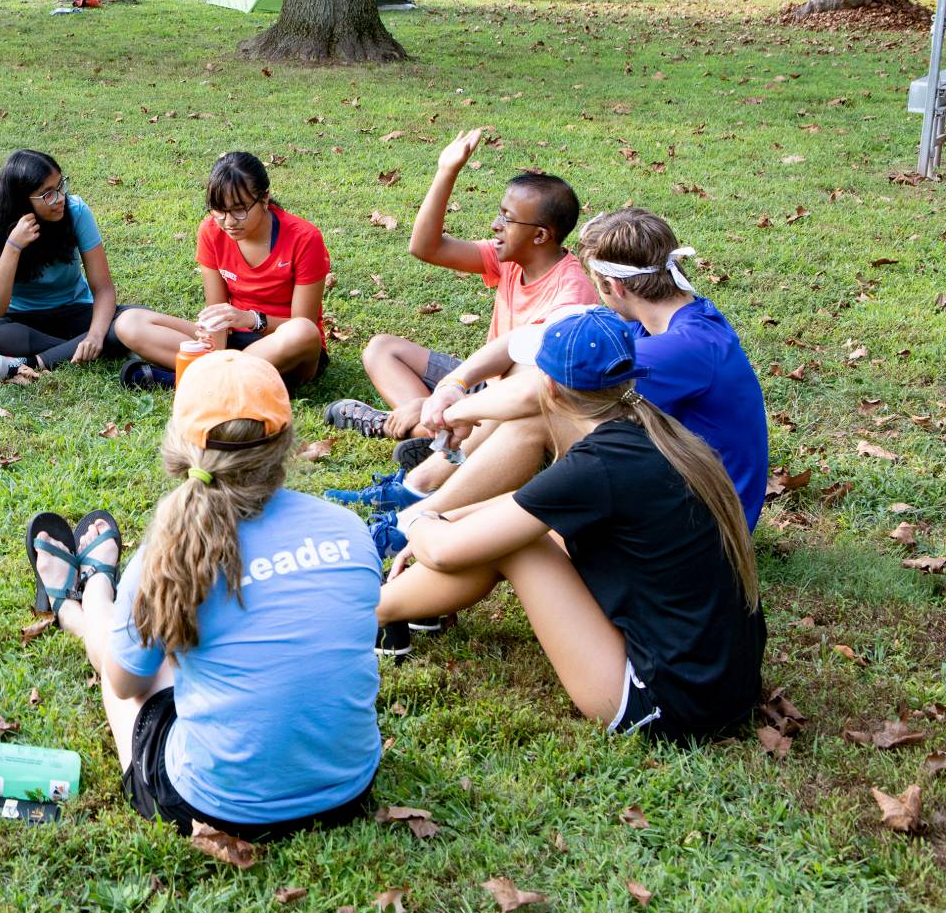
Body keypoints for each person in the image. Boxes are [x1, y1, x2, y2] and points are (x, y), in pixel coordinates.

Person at [25, 350, 381, 840]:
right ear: (284, 444)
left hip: (216, 807)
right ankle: (91, 599)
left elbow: (127, 684)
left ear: (180, 447)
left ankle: (82, 602)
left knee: (122, 663)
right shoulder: (349, 528)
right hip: (348, 791)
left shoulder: (166, 555)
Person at [374, 308, 765, 740]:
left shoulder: (599, 466)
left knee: (518, 545)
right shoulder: (656, 431)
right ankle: (398, 609)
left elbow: (448, 549)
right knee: (510, 531)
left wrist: (424, 524)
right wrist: (451, 517)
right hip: (728, 688)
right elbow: (532, 507)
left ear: (549, 388)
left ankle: (372, 610)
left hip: (664, 705)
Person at [342, 210, 770, 531]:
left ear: (614, 286)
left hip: (704, 520)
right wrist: (453, 385)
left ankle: (418, 514)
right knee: (538, 400)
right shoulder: (662, 318)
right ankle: (421, 501)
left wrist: (454, 414)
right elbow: (523, 340)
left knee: (542, 411)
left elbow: (537, 391)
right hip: (661, 477)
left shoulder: (682, 348)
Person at [325, 128, 597, 441]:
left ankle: (415, 428)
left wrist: (449, 401)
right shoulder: (508, 257)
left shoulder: (571, 295)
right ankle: (429, 426)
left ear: (540, 236)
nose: (496, 225)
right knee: (382, 349)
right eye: (500, 213)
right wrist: (447, 171)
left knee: (500, 413)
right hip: (483, 381)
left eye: (508, 218)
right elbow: (427, 247)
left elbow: (532, 386)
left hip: (518, 402)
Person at [112, 152, 328, 392]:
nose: (229, 222)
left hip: (286, 347)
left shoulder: (304, 238)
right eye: (219, 210)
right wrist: (212, 340)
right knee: (129, 322)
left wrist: (251, 319)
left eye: (239, 210)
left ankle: (188, 379)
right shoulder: (211, 232)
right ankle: (225, 376)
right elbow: (216, 312)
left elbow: (303, 322)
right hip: (234, 343)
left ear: (264, 198)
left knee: (303, 332)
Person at [0, 149, 131, 382]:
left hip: (74, 311)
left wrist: (94, 334)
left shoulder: (75, 211)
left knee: (134, 318)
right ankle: (87, 349)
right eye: (47, 194)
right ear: (22, 200)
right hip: (21, 321)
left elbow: (103, 288)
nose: (60, 197)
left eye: (60, 186)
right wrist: (13, 246)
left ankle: (38, 360)